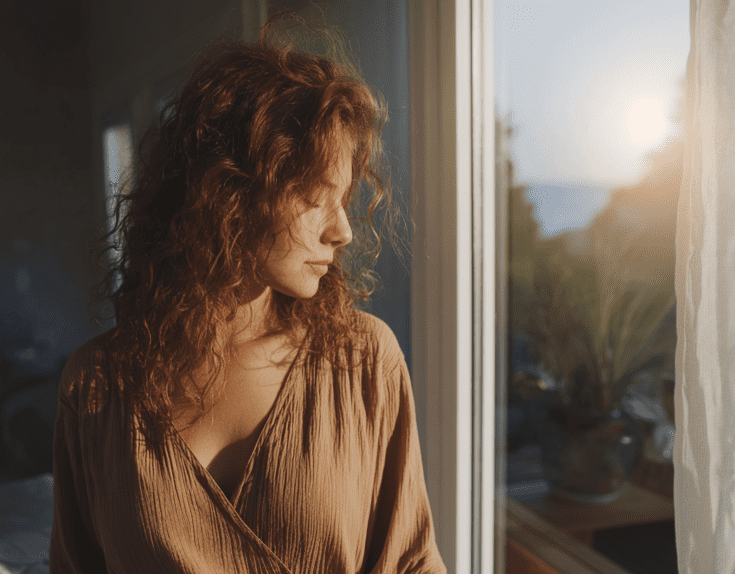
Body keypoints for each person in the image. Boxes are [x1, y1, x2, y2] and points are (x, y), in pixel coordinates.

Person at [50, 23, 447, 574]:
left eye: (346, 201)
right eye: (315, 198)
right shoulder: (95, 387)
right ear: (229, 194)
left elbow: (410, 561)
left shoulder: (363, 360)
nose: (343, 231)